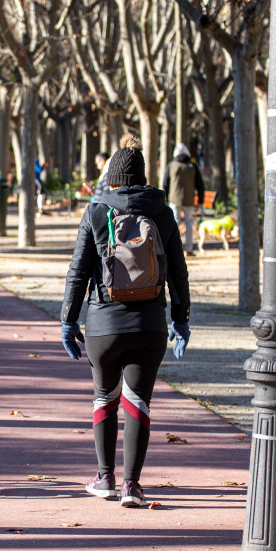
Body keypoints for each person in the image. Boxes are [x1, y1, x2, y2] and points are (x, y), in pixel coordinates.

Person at [60, 135, 191, 508]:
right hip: (150, 324)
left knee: (106, 397)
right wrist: (180, 320)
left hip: (103, 325)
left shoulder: (96, 212)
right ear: (144, 177)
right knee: (139, 401)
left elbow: (78, 272)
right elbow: (178, 275)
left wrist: (69, 321)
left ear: (112, 179)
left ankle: (104, 477)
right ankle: (132, 486)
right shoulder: (162, 214)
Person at [162, 143, 205, 256]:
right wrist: (200, 200)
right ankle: (189, 249)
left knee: (175, 223)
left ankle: (175, 249)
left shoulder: (171, 165)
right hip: (189, 199)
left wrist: (164, 198)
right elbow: (199, 184)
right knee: (189, 224)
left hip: (174, 199)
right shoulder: (193, 166)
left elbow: (165, 183)